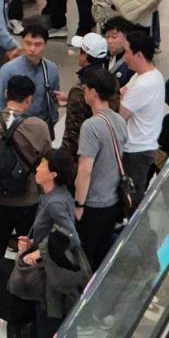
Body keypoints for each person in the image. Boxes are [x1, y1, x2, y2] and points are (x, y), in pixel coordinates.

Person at [0, 77, 50, 331]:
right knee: (27, 252)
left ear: (5, 94)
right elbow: (46, 158)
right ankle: (22, 308)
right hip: (28, 200)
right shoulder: (38, 126)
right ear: (29, 99)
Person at [14, 148, 82, 338]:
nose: (37, 168)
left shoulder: (56, 202)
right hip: (50, 273)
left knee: (49, 331)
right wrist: (32, 244)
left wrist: (38, 251)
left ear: (53, 174)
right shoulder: (52, 196)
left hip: (52, 280)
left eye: (43, 165)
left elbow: (71, 237)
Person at [74, 68, 128, 269]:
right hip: (113, 202)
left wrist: (79, 204)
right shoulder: (119, 120)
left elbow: (85, 170)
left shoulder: (91, 126)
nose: (83, 91)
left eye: (85, 88)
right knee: (101, 258)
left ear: (93, 92)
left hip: (93, 204)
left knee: (84, 260)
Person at [117, 29, 163, 192]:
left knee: (131, 194)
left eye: (127, 52)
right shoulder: (145, 75)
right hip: (141, 145)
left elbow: (120, 114)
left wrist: (122, 97)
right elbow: (121, 92)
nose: (124, 57)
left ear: (139, 55)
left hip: (136, 150)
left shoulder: (144, 84)